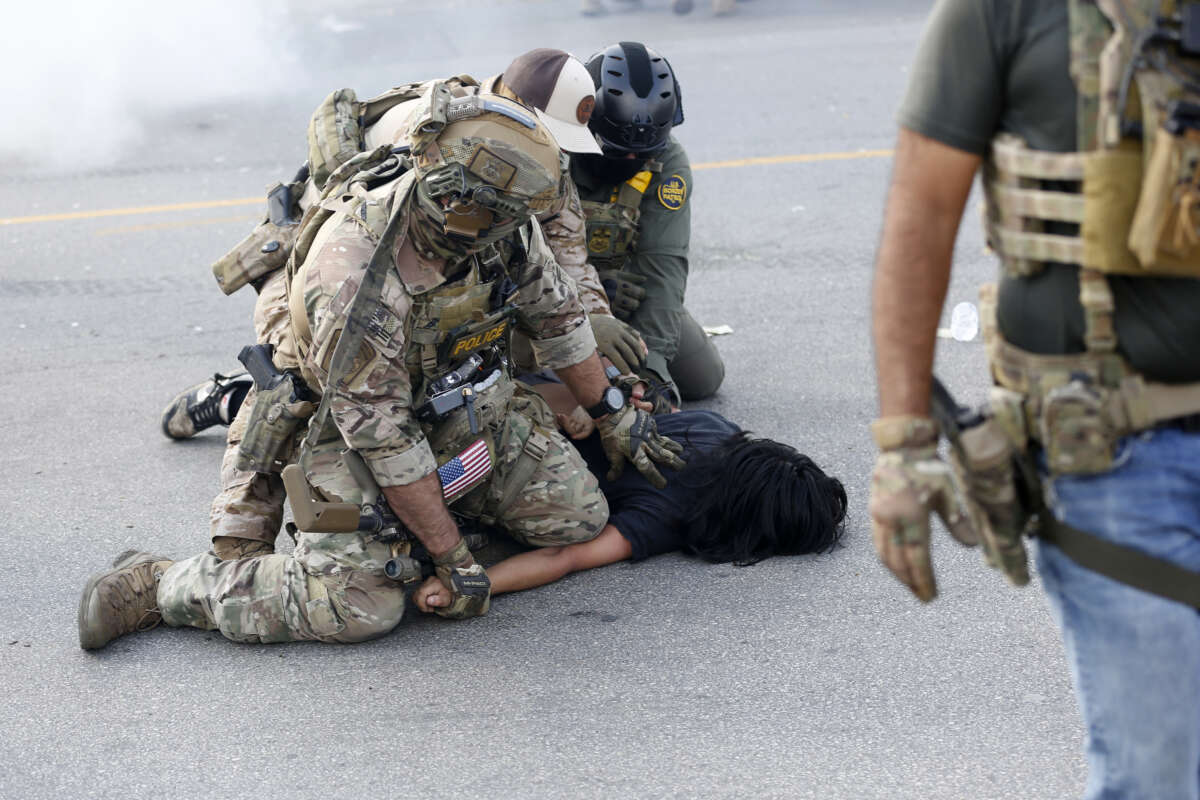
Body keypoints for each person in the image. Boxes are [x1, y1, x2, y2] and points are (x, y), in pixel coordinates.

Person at [78, 90, 685, 649]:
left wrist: (612, 414)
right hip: (347, 429)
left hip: (455, 401)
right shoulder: (354, 279)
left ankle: (412, 534)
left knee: (575, 515)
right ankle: (159, 585)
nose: (526, 226)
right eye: (512, 216)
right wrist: (454, 561)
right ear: (463, 207)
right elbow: (386, 438)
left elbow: (558, 319)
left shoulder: (505, 227)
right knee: (360, 605)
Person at [868, 2, 1200, 797]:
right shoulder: (1003, 13)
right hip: (1116, 461)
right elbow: (921, 219)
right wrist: (904, 448)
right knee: (1157, 772)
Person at [160, 48, 646, 444]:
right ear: (515, 106)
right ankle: (232, 399)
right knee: (320, 404)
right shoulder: (432, 138)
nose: (555, 151)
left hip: (425, 275)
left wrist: (595, 331)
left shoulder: (531, 155)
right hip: (323, 271)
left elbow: (565, 252)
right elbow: (358, 261)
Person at [411, 403, 847, 611]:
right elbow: (565, 556)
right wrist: (466, 585)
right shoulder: (672, 514)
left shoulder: (717, 427)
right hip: (486, 475)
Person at [574, 41, 726, 405]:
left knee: (703, 378)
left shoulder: (668, 160)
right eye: (617, 150)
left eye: (639, 154)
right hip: (545, 294)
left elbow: (663, 263)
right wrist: (585, 298)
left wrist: (652, 374)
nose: (630, 159)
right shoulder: (555, 148)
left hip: (622, 287)